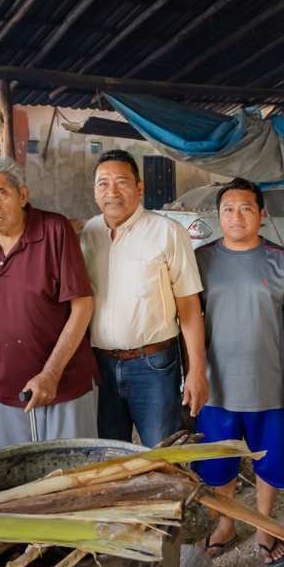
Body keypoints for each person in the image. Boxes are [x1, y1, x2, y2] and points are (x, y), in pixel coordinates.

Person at [192, 178, 284, 567]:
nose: (237, 216)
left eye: (246, 208)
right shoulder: (201, 260)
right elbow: (187, 321)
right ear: (219, 216)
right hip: (216, 387)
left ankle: (263, 526)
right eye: (228, 209)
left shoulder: (282, 260)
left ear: (262, 215)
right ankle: (226, 524)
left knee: (270, 461)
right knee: (218, 464)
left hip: (269, 386)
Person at [79, 150, 208, 446]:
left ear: (139, 188)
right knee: (110, 456)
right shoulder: (90, 232)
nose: (112, 191)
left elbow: (189, 309)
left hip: (153, 366)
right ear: (95, 191)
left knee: (161, 455)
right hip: (101, 366)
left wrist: (196, 372)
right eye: (103, 183)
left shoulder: (167, 232)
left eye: (121, 182)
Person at [0, 156, 99, 450]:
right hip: (2, 386)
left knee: (69, 480)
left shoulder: (54, 230)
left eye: (1, 192)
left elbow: (83, 306)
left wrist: (51, 374)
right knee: (8, 482)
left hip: (64, 385)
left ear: (23, 195)